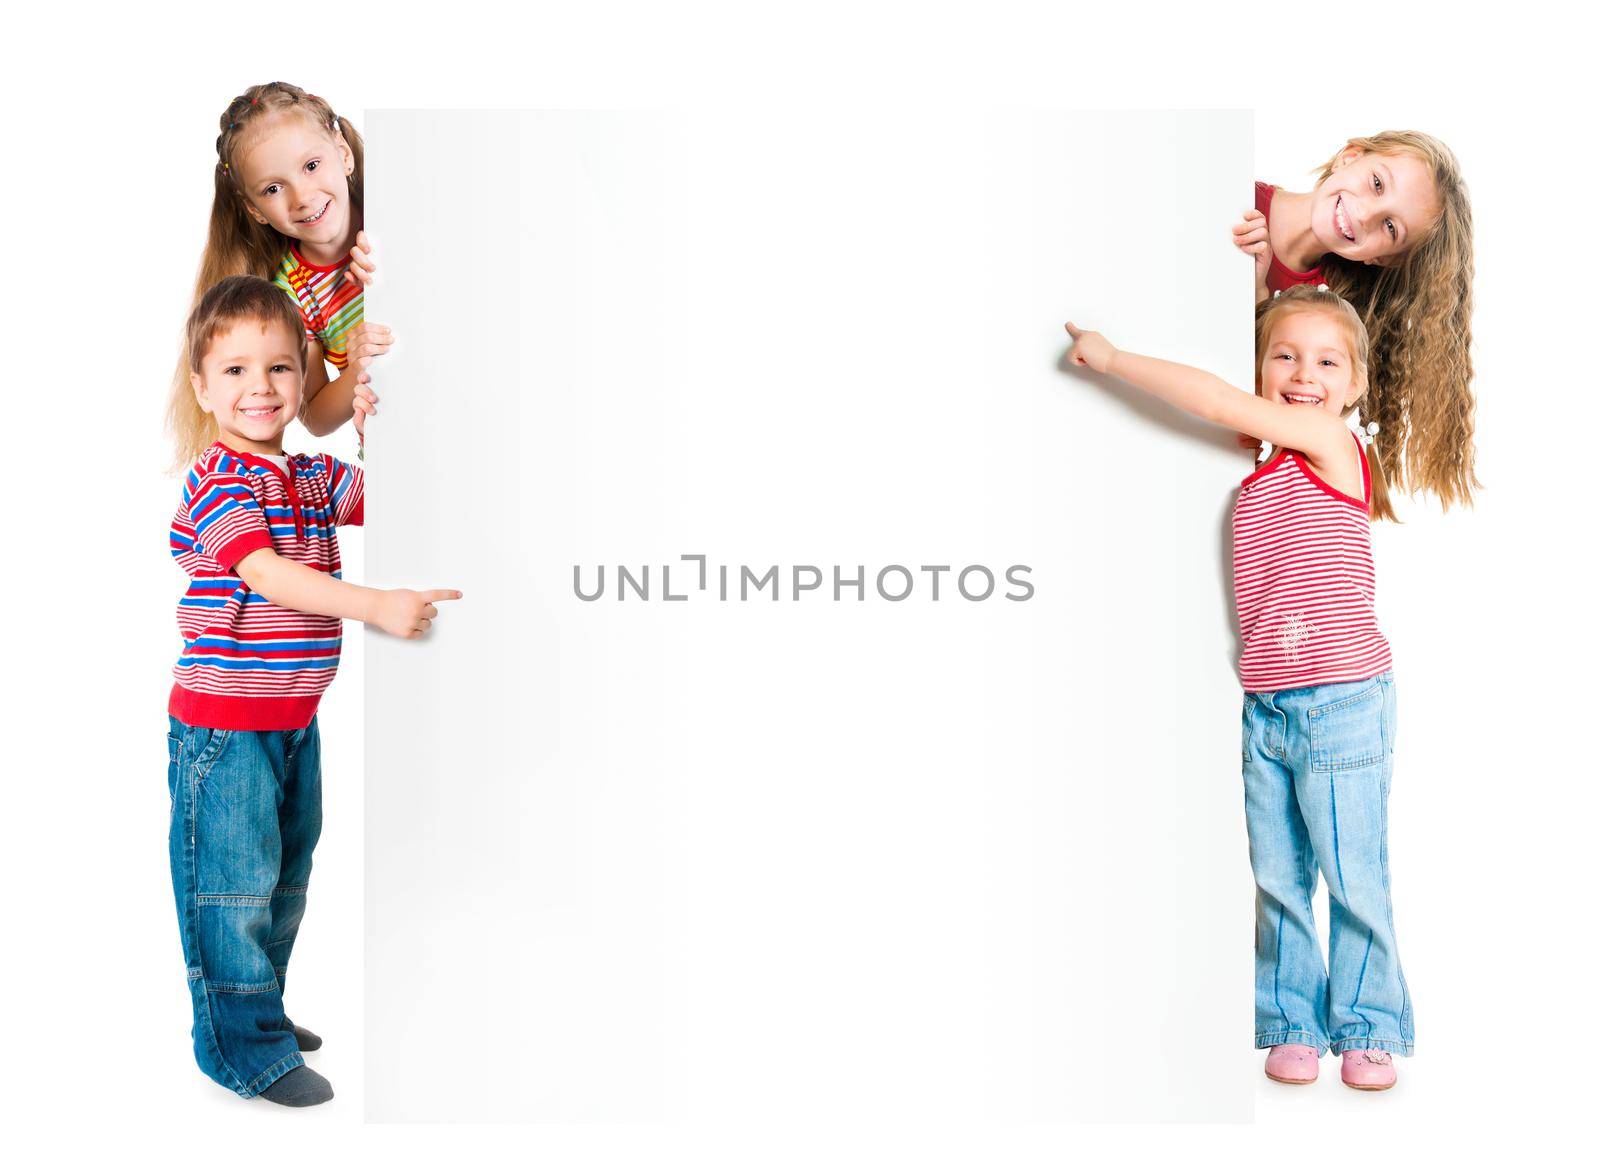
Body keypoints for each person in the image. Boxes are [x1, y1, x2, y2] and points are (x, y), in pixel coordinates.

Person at [1063, 284, 1458, 1091]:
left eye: (1325, 360)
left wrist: (1110, 360)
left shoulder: (1328, 442)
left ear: (1353, 387)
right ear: (1261, 365)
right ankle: (1290, 1021)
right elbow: (1215, 405)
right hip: (1268, 706)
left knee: (1354, 876)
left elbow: (1207, 398)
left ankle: (1369, 1025)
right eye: (1283, 355)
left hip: (1344, 698)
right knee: (1278, 875)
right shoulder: (1266, 467)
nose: (1302, 373)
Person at [166, 275, 459, 1106]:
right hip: (224, 729)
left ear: (303, 376)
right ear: (202, 388)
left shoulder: (310, 479)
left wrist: (383, 424)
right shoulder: (217, 480)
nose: (259, 387)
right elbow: (271, 575)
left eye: (279, 369)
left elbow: (396, 496)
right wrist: (376, 607)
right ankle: (238, 1045)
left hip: (294, 720)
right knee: (230, 886)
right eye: (234, 371)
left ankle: (257, 1007)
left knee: (284, 879)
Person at [1231, 131, 1476, 511]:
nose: (1364, 214)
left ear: (1382, 259)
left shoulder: (1327, 322)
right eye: (1376, 184)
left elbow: (1263, 415)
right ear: (1350, 156)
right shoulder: (1231, 189)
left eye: (1390, 228)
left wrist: (1258, 297)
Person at [167, 82, 387, 468]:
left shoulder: (399, 202)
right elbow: (315, 416)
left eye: (311, 166)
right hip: (398, 436)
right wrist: (361, 367)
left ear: (343, 152)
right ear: (254, 209)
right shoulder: (291, 294)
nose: (301, 196)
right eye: (272, 188)